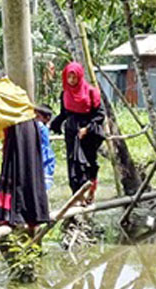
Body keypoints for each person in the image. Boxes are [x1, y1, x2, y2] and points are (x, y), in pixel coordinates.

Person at [0, 67, 50, 228]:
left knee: (16, 171)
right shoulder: (13, 89)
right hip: (30, 131)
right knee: (29, 171)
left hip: (18, 134)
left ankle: (14, 214)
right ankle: (32, 214)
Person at [50, 62, 105, 203]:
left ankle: (91, 190)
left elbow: (100, 114)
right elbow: (64, 114)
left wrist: (87, 129)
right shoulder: (65, 94)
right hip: (72, 132)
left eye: (74, 77)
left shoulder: (91, 92)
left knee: (89, 162)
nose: (72, 80)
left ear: (80, 77)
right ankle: (77, 195)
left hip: (89, 132)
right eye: (69, 77)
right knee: (73, 163)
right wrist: (50, 125)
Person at [34, 104, 57, 191]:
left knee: (44, 182)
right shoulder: (44, 128)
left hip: (45, 158)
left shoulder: (41, 127)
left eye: (37, 116)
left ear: (46, 118)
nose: (35, 119)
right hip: (42, 158)